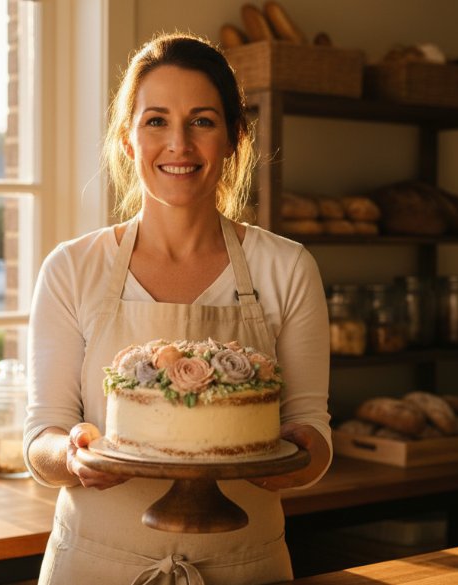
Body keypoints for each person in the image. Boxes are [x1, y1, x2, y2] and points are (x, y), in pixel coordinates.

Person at [24, 31, 332, 584]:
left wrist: (294, 458)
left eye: (203, 121)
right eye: (156, 120)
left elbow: (313, 433)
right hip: (96, 565)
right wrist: (70, 455)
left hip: (247, 567)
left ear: (235, 138)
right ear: (127, 139)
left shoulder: (286, 268)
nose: (179, 145)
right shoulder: (72, 268)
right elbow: (42, 437)